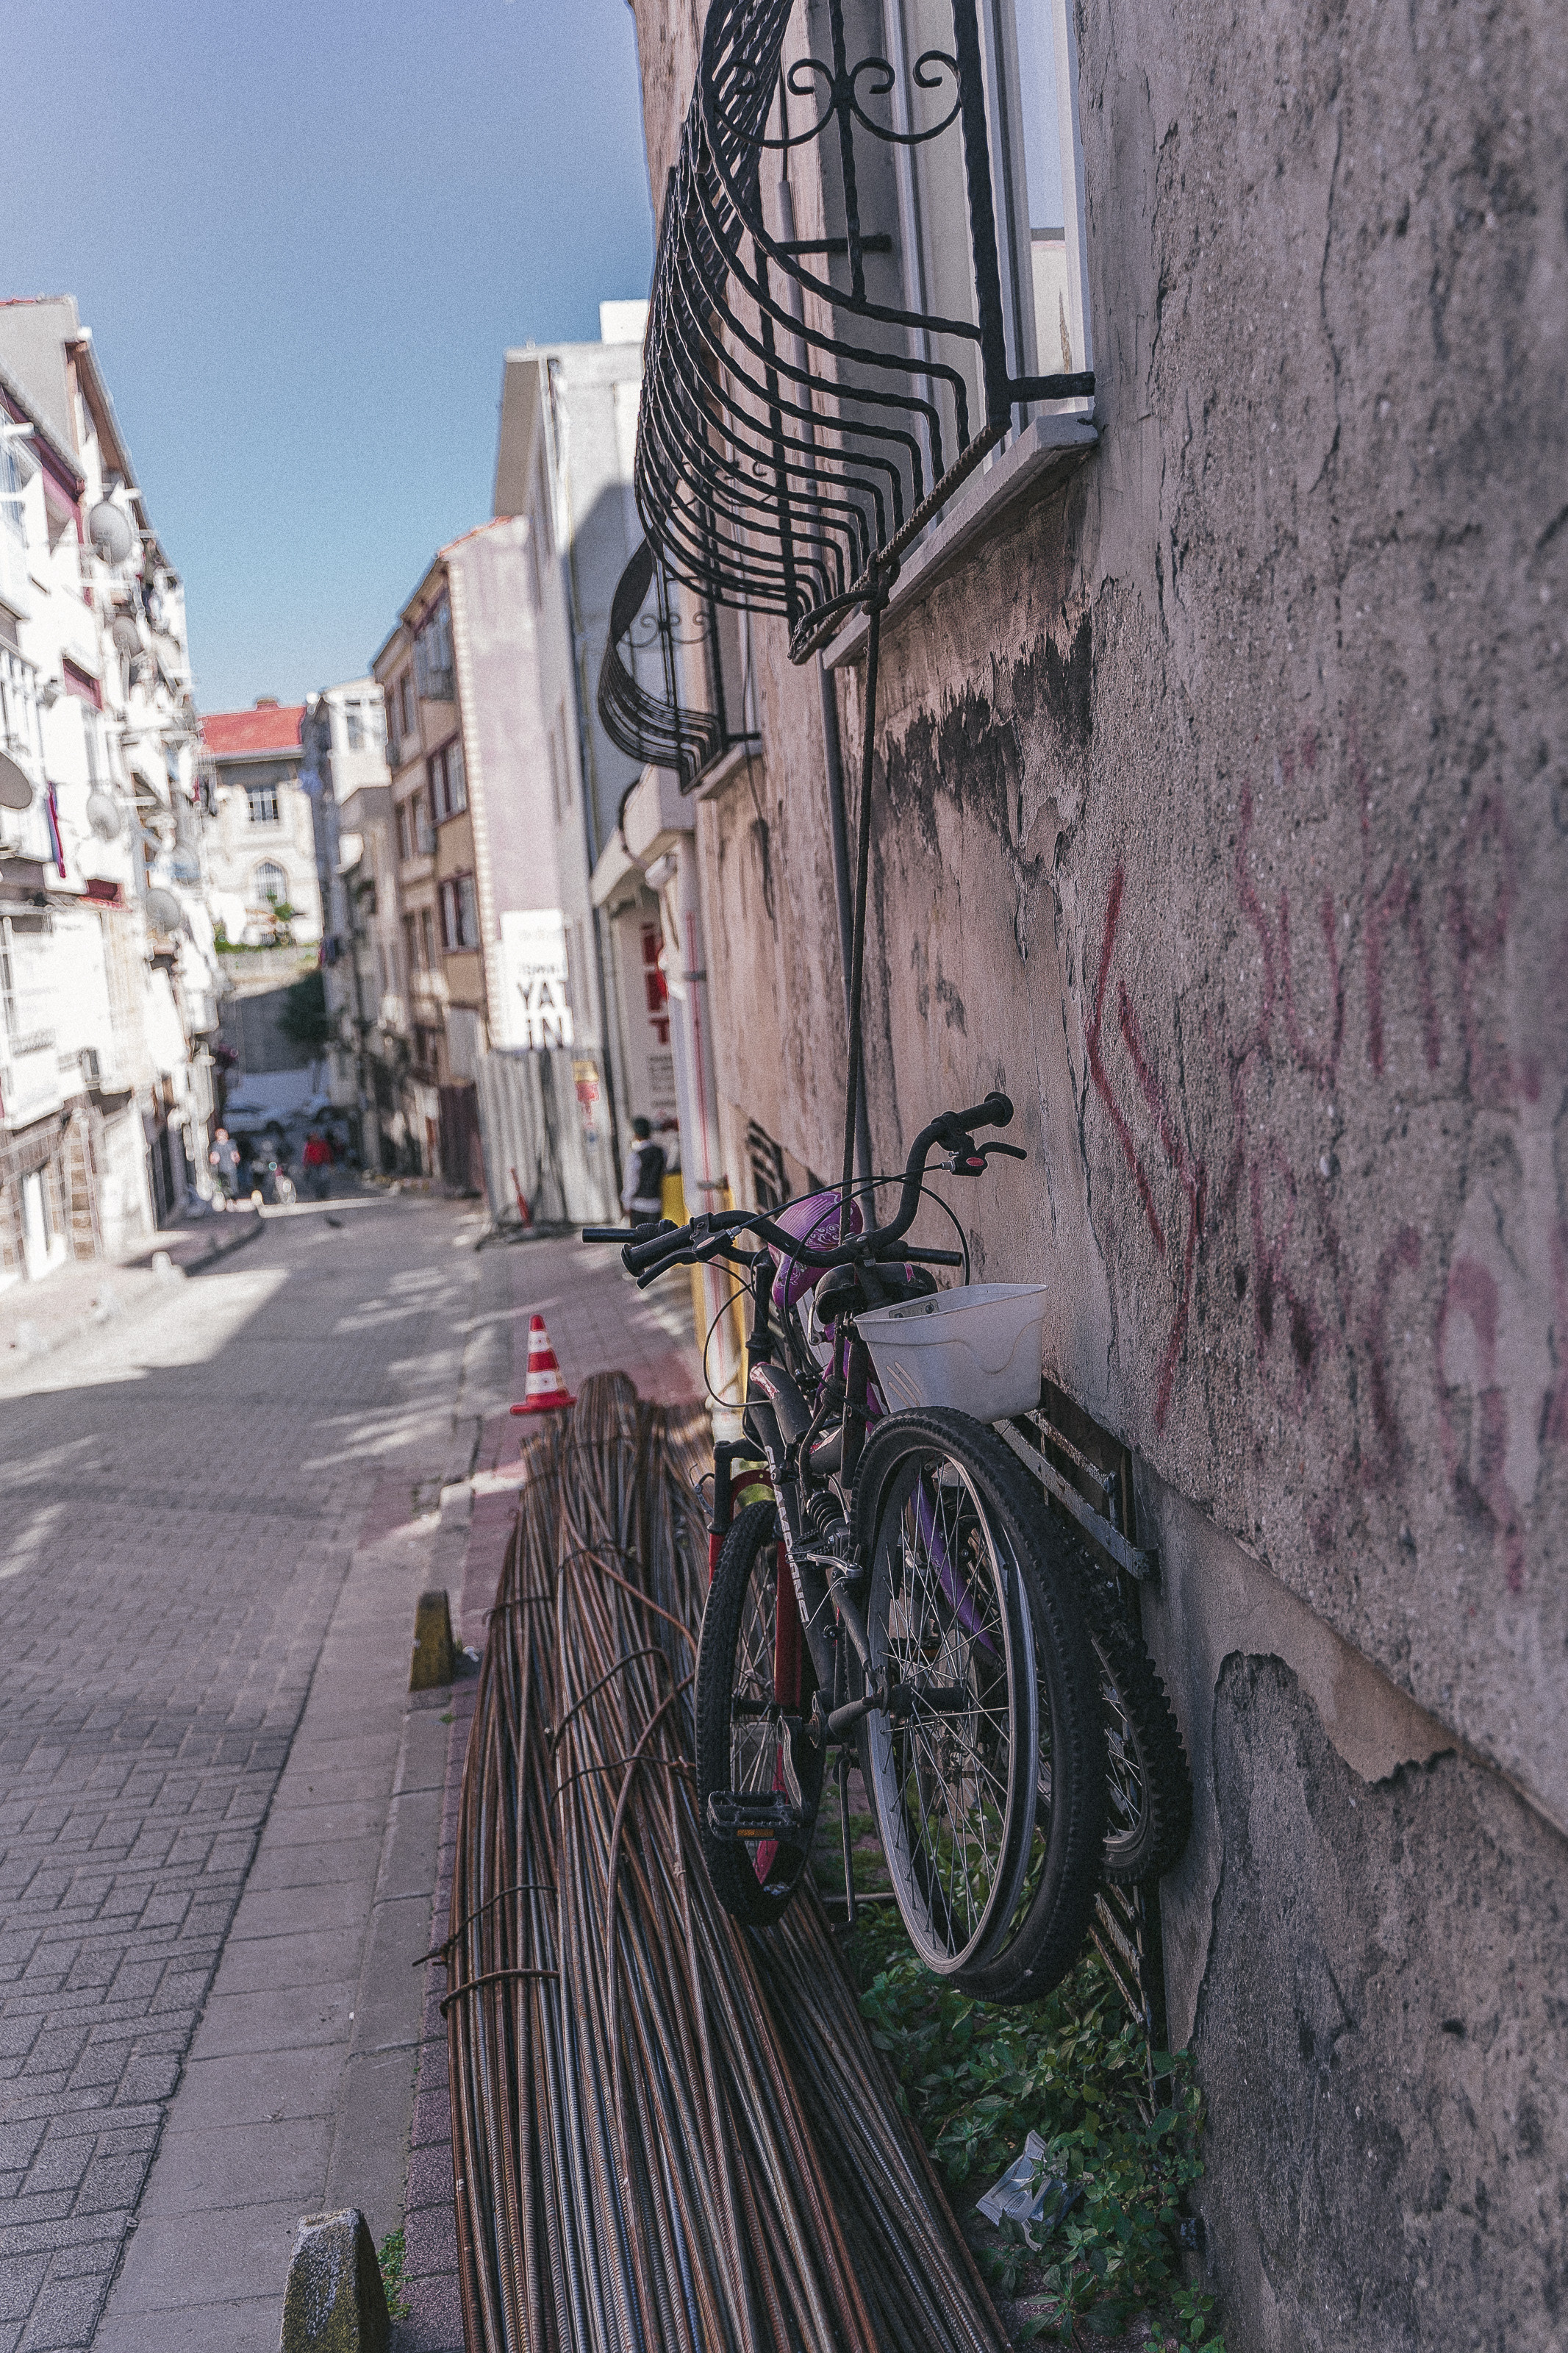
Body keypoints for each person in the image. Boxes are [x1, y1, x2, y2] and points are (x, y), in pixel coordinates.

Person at [620, 1115, 666, 1225]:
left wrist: (626, 1204)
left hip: (639, 1205)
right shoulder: (662, 1152)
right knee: (656, 1239)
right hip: (656, 1204)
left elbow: (631, 1183)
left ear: (635, 1134)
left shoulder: (634, 1156)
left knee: (639, 1240)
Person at [208, 1126, 240, 1210]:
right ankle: (232, 1200)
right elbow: (235, 1155)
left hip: (222, 1168)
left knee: (225, 1185)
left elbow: (215, 1158)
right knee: (231, 1184)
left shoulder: (215, 1145)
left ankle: (227, 1200)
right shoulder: (231, 1144)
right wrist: (236, 1161)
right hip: (229, 1168)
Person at [302, 1127, 333, 1202]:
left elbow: (327, 1153)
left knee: (324, 1179)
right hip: (313, 1164)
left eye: (316, 1136)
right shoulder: (309, 1145)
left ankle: (324, 1194)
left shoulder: (323, 1143)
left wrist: (330, 1163)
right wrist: (305, 1165)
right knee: (316, 1179)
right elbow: (306, 1155)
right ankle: (318, 1194)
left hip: (323, 1163)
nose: (314, 1137)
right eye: (313, 1136)